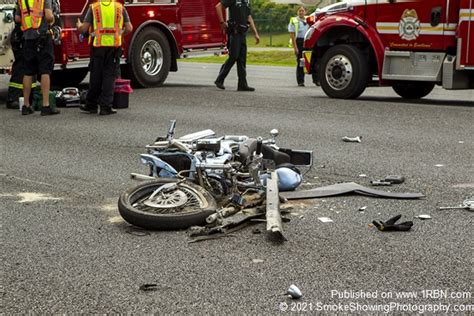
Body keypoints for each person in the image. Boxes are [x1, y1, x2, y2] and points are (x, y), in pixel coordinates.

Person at [76, 0, 133, 115]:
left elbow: (84, 29)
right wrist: (119, 34)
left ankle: (91, 105)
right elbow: (129, 28)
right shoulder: (119, 7)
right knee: (109, 77)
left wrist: (78, 25)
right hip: (113, 47)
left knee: (96, 75)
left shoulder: (94, 7)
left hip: (98, 46)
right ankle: (105, 107)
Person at [15, 0, 59, 115]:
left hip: (27, 38)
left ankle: (26, 105)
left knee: (28, 71)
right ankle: (45, 105)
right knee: (45, 70)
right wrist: (52, 20)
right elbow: (49, 16)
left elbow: (17, 18)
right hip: (43, 36)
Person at [214, 0, 260, 92]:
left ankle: (242, 84)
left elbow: (249, 17)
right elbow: (218, 6)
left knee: (242, 59)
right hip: (234, 33)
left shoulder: (246, 1)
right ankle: (219, 80)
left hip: (242, 33)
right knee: (233, 56)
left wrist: (256, 33)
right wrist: (222, 22)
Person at [288, 6, 308, 87]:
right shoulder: (294, 21)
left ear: (305, 12)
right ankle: (300, 81)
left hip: (307, 42)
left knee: (311, 60)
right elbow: (292, 35)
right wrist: (295, 48)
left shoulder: (308, 20)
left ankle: (316, 80)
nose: (301, 12)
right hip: (299, 42)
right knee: (301, 62)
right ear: (297, 12)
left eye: (302, 11)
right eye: (299, 11)